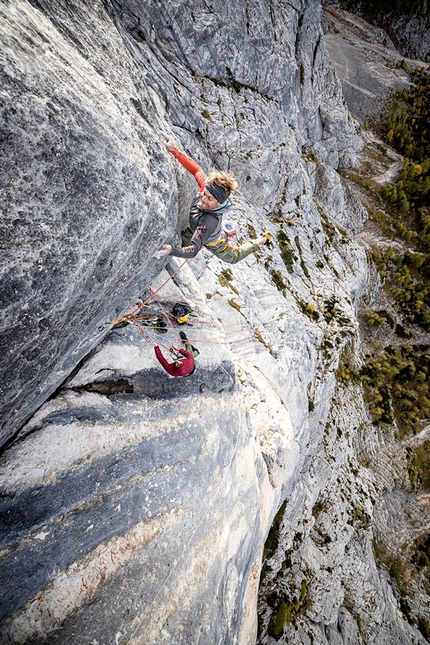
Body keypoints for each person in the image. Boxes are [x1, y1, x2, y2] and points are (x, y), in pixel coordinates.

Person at [153, 132, 273, 263]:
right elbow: (196, 170)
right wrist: (174, 150)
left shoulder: (209, 221)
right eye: (204, 194)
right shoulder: (208, 189)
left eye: (209, 199)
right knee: (184, 241)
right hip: (194, 228)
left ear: (219, 203)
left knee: (233, 258)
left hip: (213, 241)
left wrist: (172, 251)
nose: (203, 199)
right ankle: (228, 231)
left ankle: (263, 239)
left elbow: (193, 250)